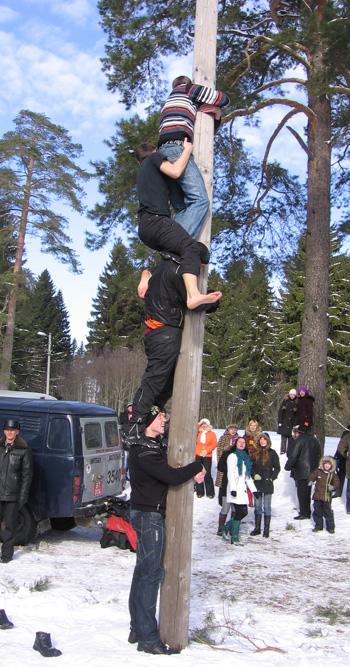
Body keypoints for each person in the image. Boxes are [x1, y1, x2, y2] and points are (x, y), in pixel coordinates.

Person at [127, 406, 205, 655]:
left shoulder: (153, 446)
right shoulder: (142, 450)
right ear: (149, 421)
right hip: (149, 517)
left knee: (143, 571)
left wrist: (195, 473)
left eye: (165, 417)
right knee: (151, 573)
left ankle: (138, 628)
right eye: (160, 418)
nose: (165, 421)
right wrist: (197, 467)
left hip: (147, 513)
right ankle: (148, 638)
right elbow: (170, 476)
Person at [127, 246, 218, 439]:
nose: (199, 271)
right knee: (155, 380)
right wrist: (213, 300)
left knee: (165, 382)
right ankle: (135, 425)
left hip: (157, 331)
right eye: (200, 266)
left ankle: (149, 419)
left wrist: (145, 274)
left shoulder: (164, 267)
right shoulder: (177, 272)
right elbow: (192, 303)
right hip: (164, 331)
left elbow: (149, 274)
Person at [135, 140, 222, 310]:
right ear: (154, 151)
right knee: (189, 247)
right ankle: (193, 294)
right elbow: (175, 171)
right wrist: (187, 150)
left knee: (174, 254)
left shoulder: (142, 171)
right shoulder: (153, 159)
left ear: (138, 161)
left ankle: (148, 274)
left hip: (146, 226)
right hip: (156, 221)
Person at [158, 75, 230, 239]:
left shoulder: (171, 102)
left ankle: (171, 252)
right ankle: (175, 247)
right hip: (177, 149)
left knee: (182, 208)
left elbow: (207, 133)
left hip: (164, 153)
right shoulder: (188, 89)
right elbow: (223, 99)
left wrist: (216, 115)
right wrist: (219, 107)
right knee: (200, 201)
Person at [0, 419, 33, 564]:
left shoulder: (23, 450)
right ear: (4, 431)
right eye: (7, 430)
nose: (10, 433)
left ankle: (7, 554)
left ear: (17, 432)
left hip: (12, 493)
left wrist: (23, 495)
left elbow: (27, 475)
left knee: (10, 525)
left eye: (13, 430)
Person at [223, 435, 256, 545]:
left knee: (244, 512)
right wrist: (233, 489)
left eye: (243, 442)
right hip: (235, 488)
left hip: (242, 489)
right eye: (239, 442)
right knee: (239, 512)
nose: (242, 444)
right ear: (235, 444)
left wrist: (254, 490)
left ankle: (226, 528)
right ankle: (235, 537)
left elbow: (248, 476)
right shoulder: (232, 456)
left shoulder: (245, 458)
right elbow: (230, 474)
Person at [284, 426, 321, 520]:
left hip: (301, 470)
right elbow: (319, 455)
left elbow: (293, 456)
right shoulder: (315, 440)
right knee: (308, 492)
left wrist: (288, 466)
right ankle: (307, 511)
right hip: (313, 470)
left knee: (302, 492)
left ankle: (304, 512)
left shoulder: (298, 441)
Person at [250, 432, 280, 538]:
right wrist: (254, 475)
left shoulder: (272, 453)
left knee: (267, 506)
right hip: (257, 483)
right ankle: (257, 528)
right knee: (257, 506)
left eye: (264, 440)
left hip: (267, 483)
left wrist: (272, 477)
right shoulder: (255, 453)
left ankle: (266, 529)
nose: (262, 442)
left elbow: (277, 467)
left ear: (268, 441)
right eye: (261, 440)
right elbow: (251, 466)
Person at [215, 423, 238, 535]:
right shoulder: (223, 439)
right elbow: (219, 452)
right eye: (231, 429)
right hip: (225, 472)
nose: (233, 431)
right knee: (224, 497)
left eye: (234, 429)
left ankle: (231, 526)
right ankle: (221, 527)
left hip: (236, 478)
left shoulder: (238, 439)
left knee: (234, 506)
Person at [308, 456, 340, 533]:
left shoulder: (332, 475)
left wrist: (333, 487)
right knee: (317, 511)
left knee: (328, 512)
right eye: (326, 464)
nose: (327, 466)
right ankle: (319, 526)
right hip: (317, 496)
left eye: (329, 464)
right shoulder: (318, 472)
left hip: (326, 497)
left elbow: (336, 482)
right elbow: (312, 476)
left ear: (332, 466)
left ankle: (330, 527)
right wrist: (311, 480)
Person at [195, 418, 217, 498]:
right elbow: (194, 428)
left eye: (205, 424)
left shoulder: (212, 434)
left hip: (207, 455)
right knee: (198, 473)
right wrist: (198, 423)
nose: (204, 426)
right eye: (202, 424)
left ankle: (210, 492)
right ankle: (199, 491)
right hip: (198, 454)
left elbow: (214, 444)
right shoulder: (198, 433)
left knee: (207, 474)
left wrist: (207, 451)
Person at [277, 389, 298, 454]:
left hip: (292, 424)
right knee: (283, 439)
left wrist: (296, 423)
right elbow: (280, 412)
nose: (292, 396)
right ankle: (283, 451)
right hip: (284, 423)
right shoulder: (285, 401)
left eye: (293, 395)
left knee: (291, 439)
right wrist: (280, 421)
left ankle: (290, 452)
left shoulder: (297, 402)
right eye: (291, 394)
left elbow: (297, 415)